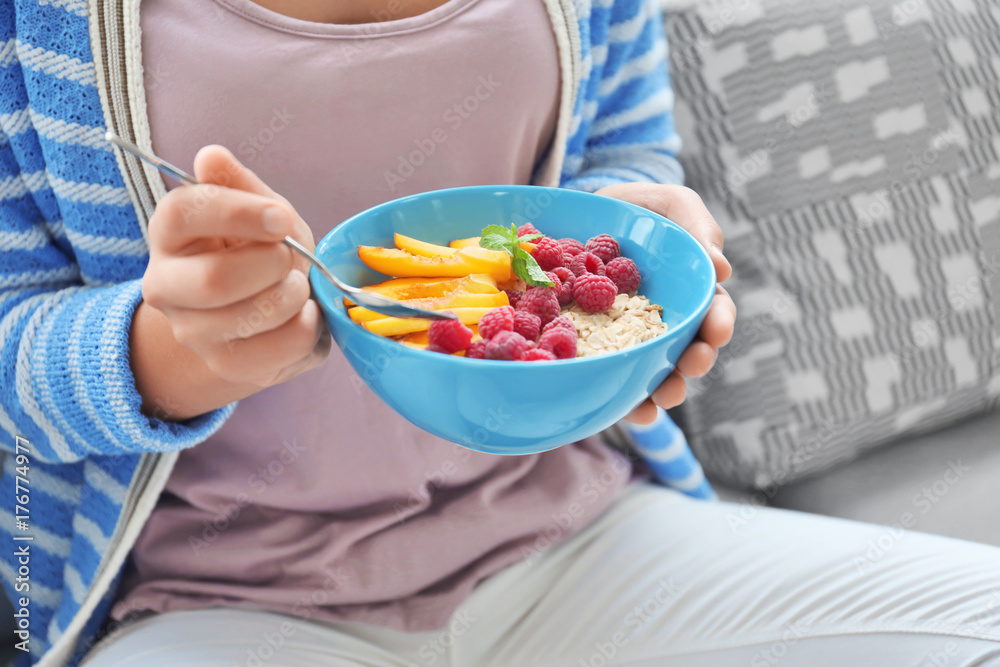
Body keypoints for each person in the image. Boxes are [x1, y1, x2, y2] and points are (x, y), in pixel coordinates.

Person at [0, 0, 997, 665]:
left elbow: (618, 152)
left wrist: (635, 239)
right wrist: (157, 357)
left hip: (577, 535)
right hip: (217, 597)